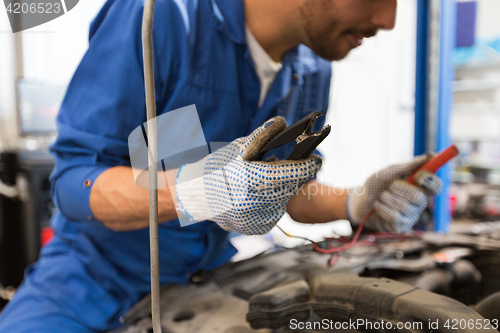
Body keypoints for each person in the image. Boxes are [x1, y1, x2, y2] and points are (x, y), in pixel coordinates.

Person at [0, 0, 442, 332]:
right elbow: (75, 181)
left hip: (202, 289)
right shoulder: (164, 17)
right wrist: (204, 190)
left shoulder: (310, 68)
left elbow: (277, 186)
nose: (389, 20)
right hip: (83, 296)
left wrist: (355, 203)